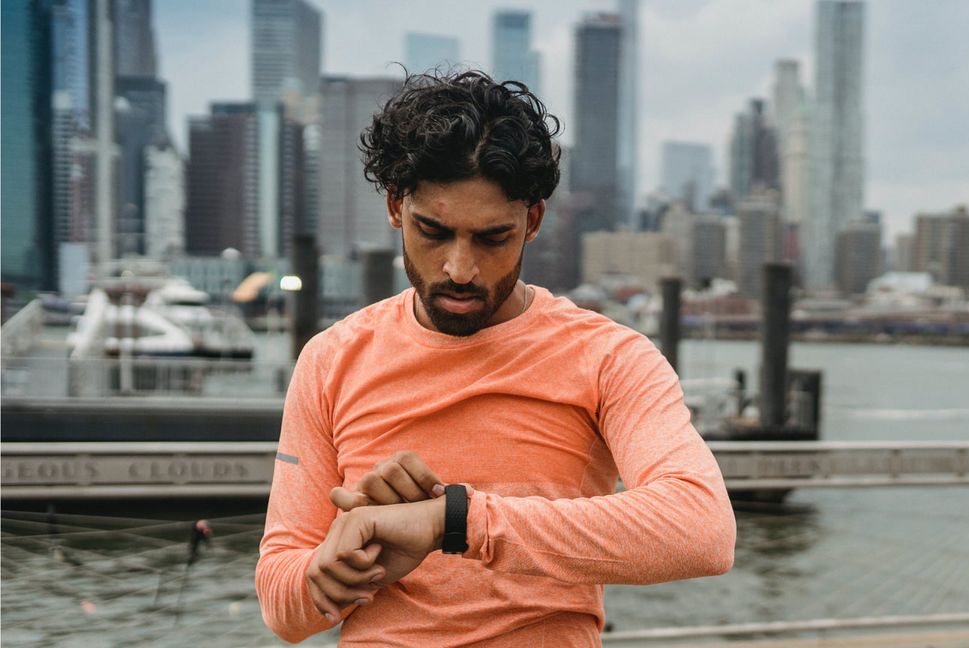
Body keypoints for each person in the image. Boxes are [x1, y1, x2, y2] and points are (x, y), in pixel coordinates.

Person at [255, 71, 736, 646]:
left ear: (531, 221)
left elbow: (701, 530)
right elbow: (281, 606)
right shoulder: (332, 359)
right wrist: (336, 569)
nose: (460, 268)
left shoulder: (610, 358)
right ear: (395, 207)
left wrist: (452, 521)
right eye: (432, 231)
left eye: (491, 238)